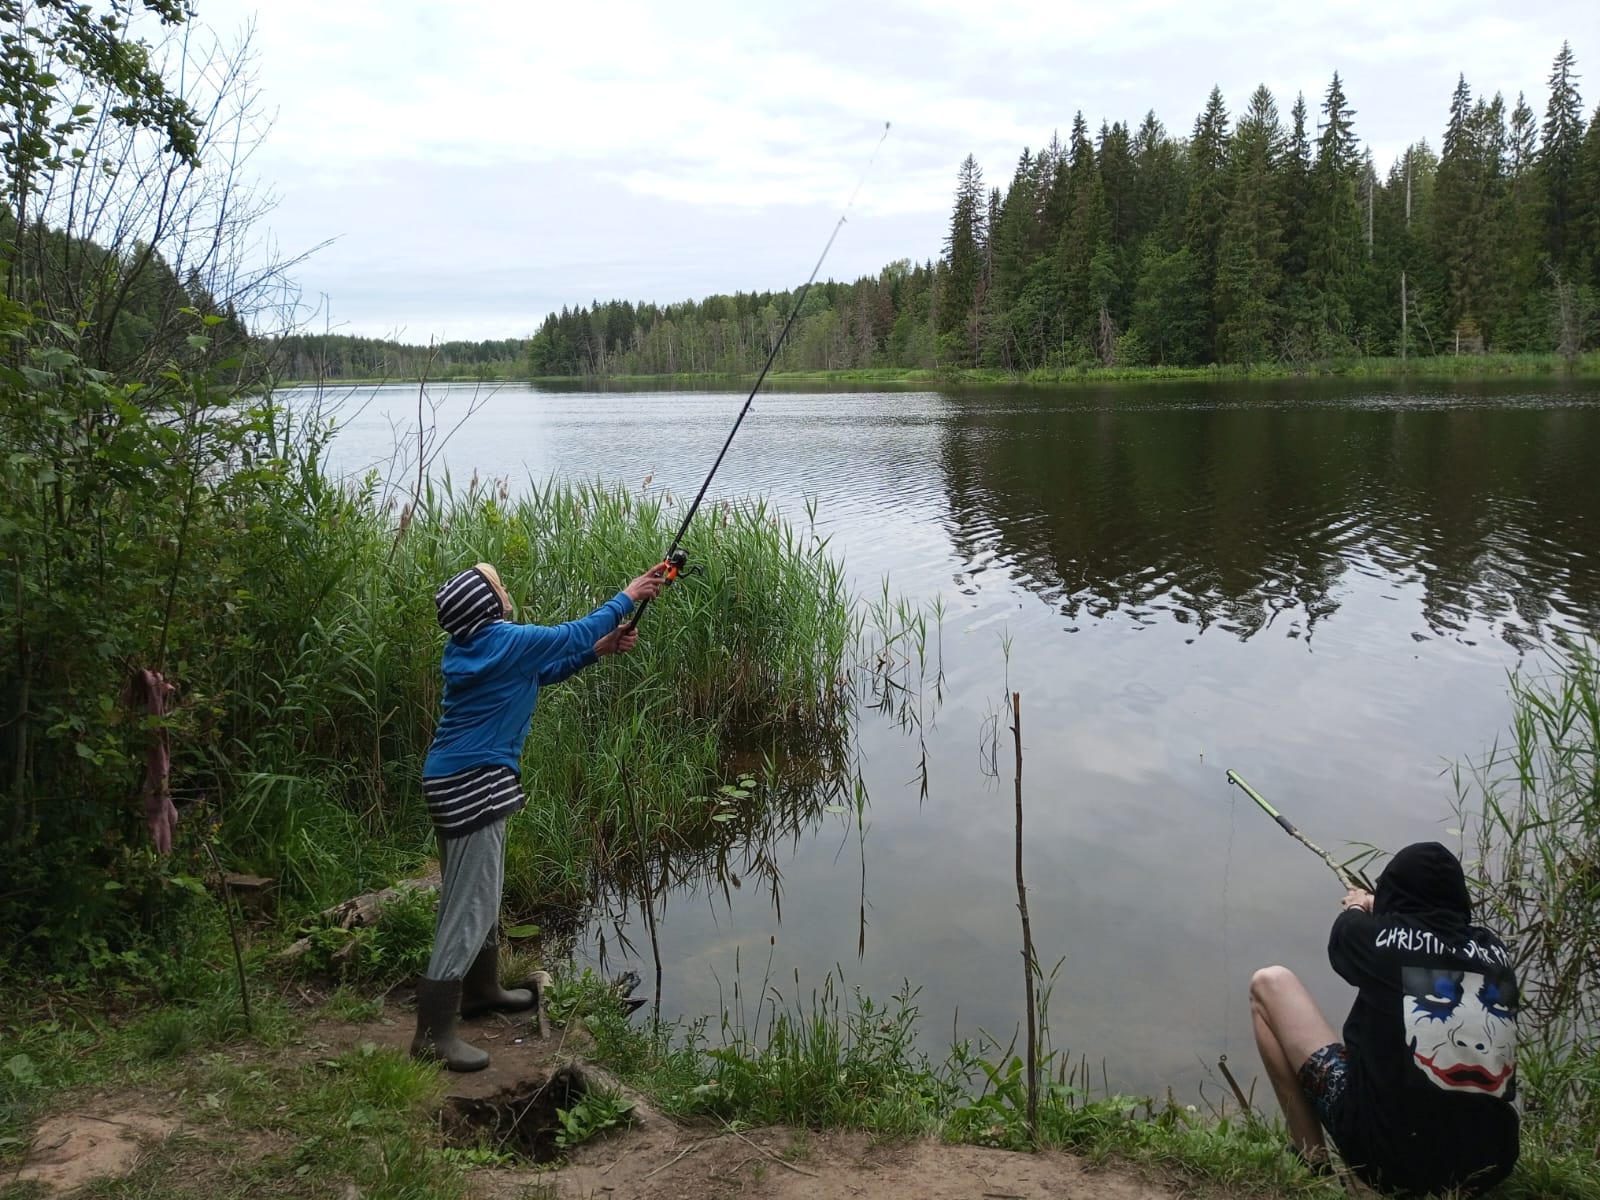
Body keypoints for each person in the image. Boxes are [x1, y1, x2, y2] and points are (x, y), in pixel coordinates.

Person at [410, 561, 663, 1071]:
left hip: (461, 780)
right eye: (498, 586)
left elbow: (542, 670)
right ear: (486, 606)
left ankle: (481, 992)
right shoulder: (502, 638)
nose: (506, 590)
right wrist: (627, 594)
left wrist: (598, 652)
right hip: (472, 783)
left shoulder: (479, 647)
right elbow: (566, 634)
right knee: (468, 905)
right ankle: (432, 1034)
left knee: (483, 893)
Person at [1250, 842, 1520, 1196]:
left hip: (1393, 1164)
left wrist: (1358, 906)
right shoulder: (1496, 956)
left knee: (1269, 983)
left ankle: (1310, 1160)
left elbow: (1346, 933)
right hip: (1490, 1164)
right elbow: (1434, 938)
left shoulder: (1375, 942)